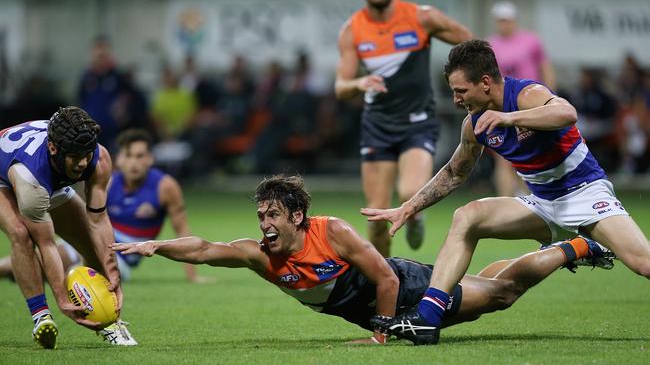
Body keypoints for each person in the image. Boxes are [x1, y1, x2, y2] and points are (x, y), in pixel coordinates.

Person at [362, 39, 650, 344]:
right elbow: (454, 173)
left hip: (586, 195)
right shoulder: (474, 125)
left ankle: (585, 243)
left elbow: (566, 113)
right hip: (542, 203)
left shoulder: (527, 94)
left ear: (485, 83)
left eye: (461, 91)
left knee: (643, 264)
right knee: (468, 216)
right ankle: (428, 317)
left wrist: (508, 117)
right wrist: (409, 207)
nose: (457, 99)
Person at [113, 175, 613, 345]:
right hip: (389, 303)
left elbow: (383, 278)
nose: (264, 223)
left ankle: (577, 245)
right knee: (490, 286)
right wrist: (158, 247)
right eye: (261, 214)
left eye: (274, 214)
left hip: (410, 288)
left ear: (298, 215)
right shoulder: (259, 257)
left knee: (501, 295)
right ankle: (569, 249)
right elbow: (202, 248)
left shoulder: (333, 232)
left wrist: (382, 334)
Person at [335, 0, 473, 256]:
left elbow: (471, 45)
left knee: (410, 192)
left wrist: (457, 81)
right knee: (376, 217)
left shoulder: (422, 17)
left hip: (417, 122)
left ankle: (414, 216)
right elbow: (340, 87)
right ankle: (383, 279)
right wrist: (359, 82)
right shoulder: (352, 30)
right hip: (377, 125)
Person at [0, 106, 136, 349]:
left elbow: (99, 220)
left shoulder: (99, 157)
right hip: (9, 176)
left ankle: (110, 321)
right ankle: (41, 314)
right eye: (76, 156)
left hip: (50, 175)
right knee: (21, 234)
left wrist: (112, 270)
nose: (83, 162)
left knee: (88, 241)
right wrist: (62, 299)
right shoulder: (32, 180)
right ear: (54, 148)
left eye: (87, 153)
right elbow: (46, 243)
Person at [0, 129, 208, 283]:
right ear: (119, 159)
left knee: (48, 269)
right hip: (96, 241)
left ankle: (20, 274)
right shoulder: (107, 181)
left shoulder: (165, 186)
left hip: (122, 258)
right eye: (128, 155)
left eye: (140, 156)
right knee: (37, 260)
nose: (134, 162)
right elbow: (87, 219)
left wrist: (193, 275)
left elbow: (182, 229)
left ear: (150, 159)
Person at [487, 1, 556, 197]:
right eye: (500, 20)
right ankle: (505, 202)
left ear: (514, 20)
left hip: (529, 104)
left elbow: (545, 68)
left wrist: (549, 97)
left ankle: (532, 199)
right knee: (504, 156)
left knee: (532, 153)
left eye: (507, 20)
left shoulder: (530, 40)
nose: (504, 24)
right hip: (503, 106)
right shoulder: (490, 44)